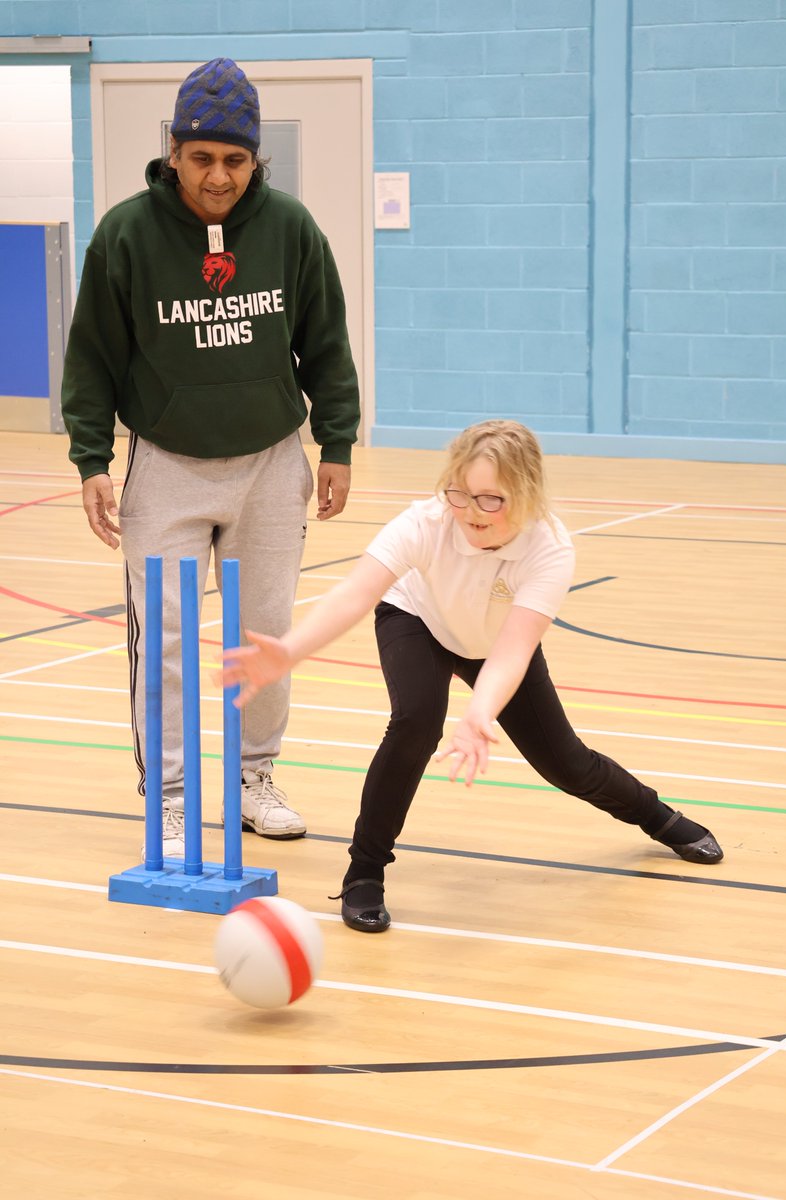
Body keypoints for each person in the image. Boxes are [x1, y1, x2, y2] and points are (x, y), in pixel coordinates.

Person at [217, 419, 724, 933]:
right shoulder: (427, 522)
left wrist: (480, 712)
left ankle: (657, 816)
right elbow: (356, 592)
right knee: (415, 723)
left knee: (566, 763)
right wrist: (290, 650)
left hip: (494, 644)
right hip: (418, 619)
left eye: (491, 499)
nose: (469, 512)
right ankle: (364, 872)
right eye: (459, 494)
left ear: (526, 493)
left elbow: (514, 648)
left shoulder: (549, 548)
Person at [61, 58, 360, 856]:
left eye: (235, 160)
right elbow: (90, 357)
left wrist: (337, 441)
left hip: (271, 464)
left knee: (263, 635)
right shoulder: (125, 234)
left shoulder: (291, 228)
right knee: (163, 640)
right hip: (167, 467)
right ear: (175, 150)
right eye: (203, 158)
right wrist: (92, 458)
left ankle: (254, 776)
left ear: (255, 158)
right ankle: (168, 794)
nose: (219, 176)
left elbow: (325, 342)